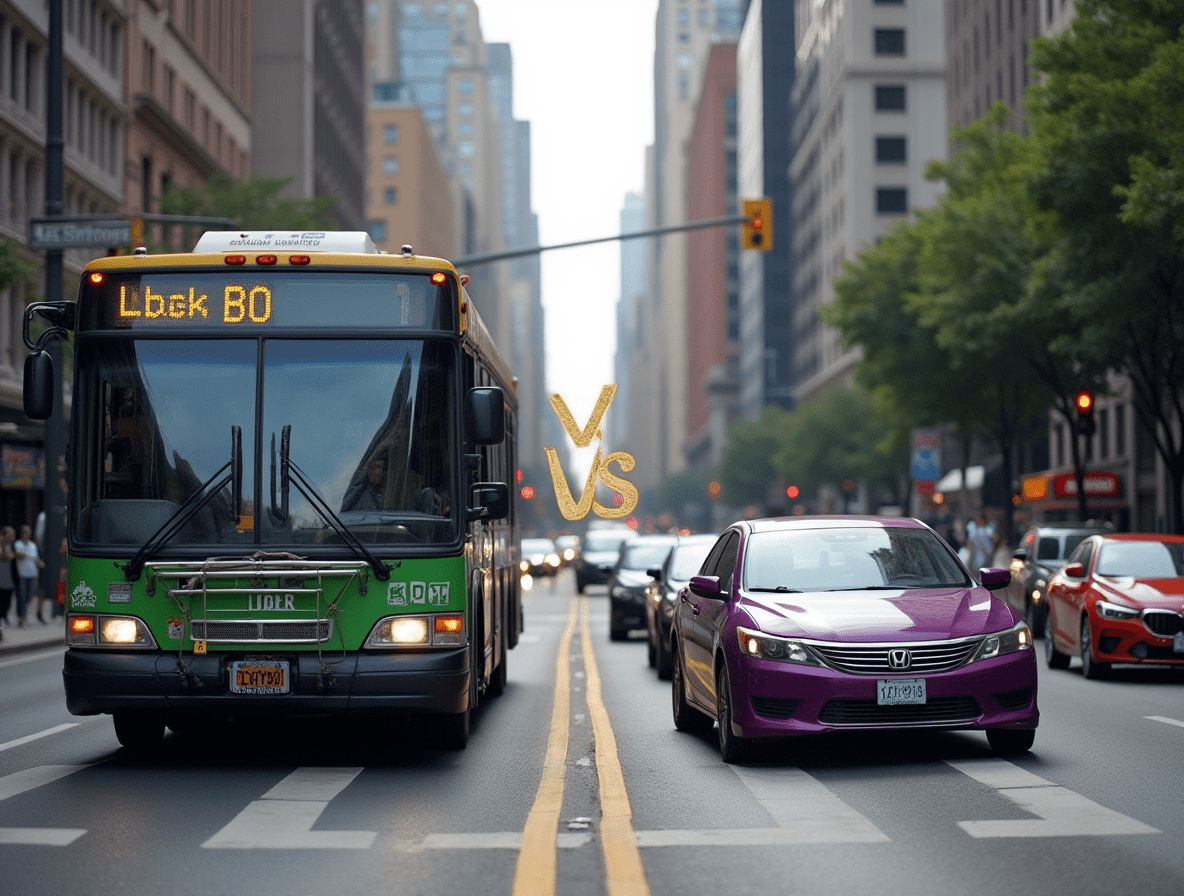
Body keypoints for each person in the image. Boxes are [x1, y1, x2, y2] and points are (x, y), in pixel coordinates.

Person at [13, 524, 45, 626]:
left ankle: (23, 613)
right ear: (21, 534)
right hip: (22, 574)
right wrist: (23, 554)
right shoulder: (18, 544)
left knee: (30, 595)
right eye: (25, 532)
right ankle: (21, 617)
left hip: (33, 574)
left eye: (28, 532)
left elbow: (35, 558)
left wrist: (40, 563)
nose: (27, 534)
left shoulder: (32, 545)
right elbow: (18, 555)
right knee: (21, 596)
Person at [0, 526, 13, 637]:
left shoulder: (11, 545)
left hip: (8, 579)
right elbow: (3, 555)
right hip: (1, 578)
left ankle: (4, 617)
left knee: (6, 602)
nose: (12, 536)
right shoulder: (2, 545)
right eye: (9, 534)